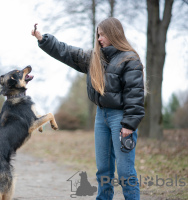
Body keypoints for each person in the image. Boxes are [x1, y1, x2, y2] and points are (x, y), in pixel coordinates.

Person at [31, 17, 145, 200]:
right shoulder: (94, 58)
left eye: (102, 35)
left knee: (125, 173)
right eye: (98, 35)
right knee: (103, 170)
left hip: (121, 118)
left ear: (114, 34)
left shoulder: (130, 59)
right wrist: (43, 39)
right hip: (101, 117)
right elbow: (66, 52)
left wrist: (129, 125)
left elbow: (135, 95)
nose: (99, 39)